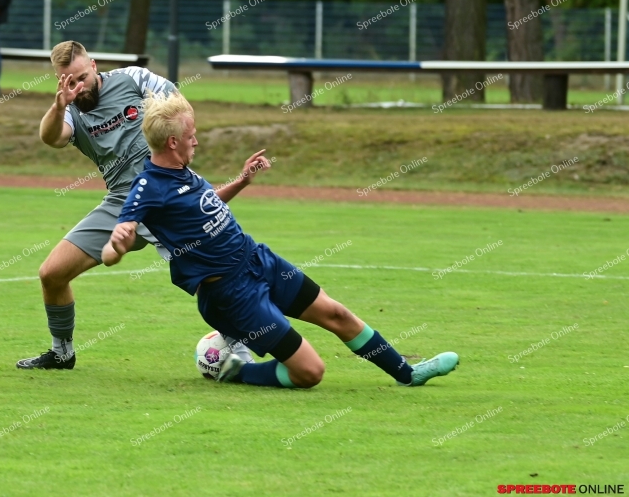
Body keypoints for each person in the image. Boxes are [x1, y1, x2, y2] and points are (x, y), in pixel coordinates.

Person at [108, 93, 459, 388]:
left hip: (258, 260)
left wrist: (242, 180)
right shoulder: (148, 187)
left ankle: (407, 374)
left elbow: (204, 205)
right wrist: (119, 244)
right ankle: (236, 371)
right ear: (173, 142)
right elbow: (114, 248)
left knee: (336, 313)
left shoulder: (182, 169)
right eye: (191, 135)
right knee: (310, 372)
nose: (195, 140)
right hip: (232, 294)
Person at [16, 40, 257, 370]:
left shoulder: (133, 79)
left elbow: (180, 110)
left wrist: (170, 157)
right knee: (51, 274)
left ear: (94, 65)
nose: (78, 86)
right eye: (68, 81)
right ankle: (62, 353)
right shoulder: (69, 111)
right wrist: (59, 107)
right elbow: (51, 138)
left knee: (205, 274)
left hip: (167, 194)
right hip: (120, 203)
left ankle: (239, 347)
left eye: (82, 77)